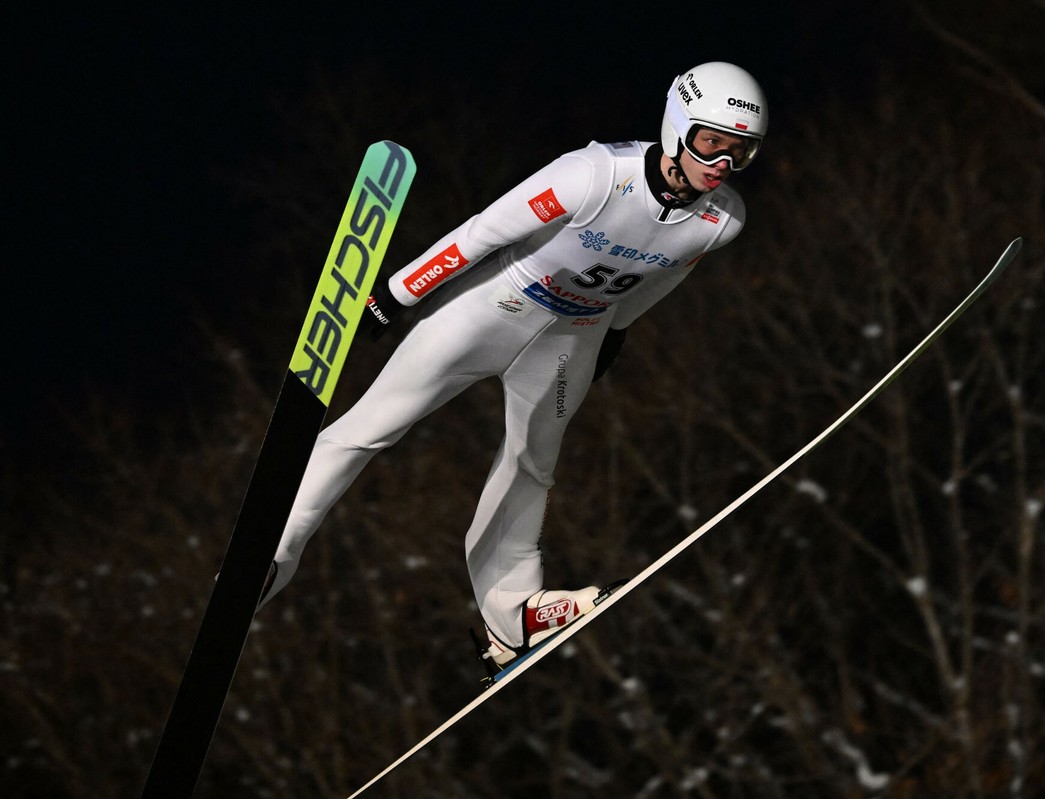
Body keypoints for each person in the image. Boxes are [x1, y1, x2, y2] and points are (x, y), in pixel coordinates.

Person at [260, 61, 769, 674]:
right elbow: (482, 233)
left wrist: (618, 331)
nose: (723, 163)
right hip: (490, 308)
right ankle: (274, 553)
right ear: (677, 127)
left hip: (574, 337)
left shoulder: (722, 220)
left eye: (741, 152)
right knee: (374, 426)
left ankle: (513, 615)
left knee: (533, 463)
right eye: (712, 143)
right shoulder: (593, 175)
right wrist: (397, 293)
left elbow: (660, 278)